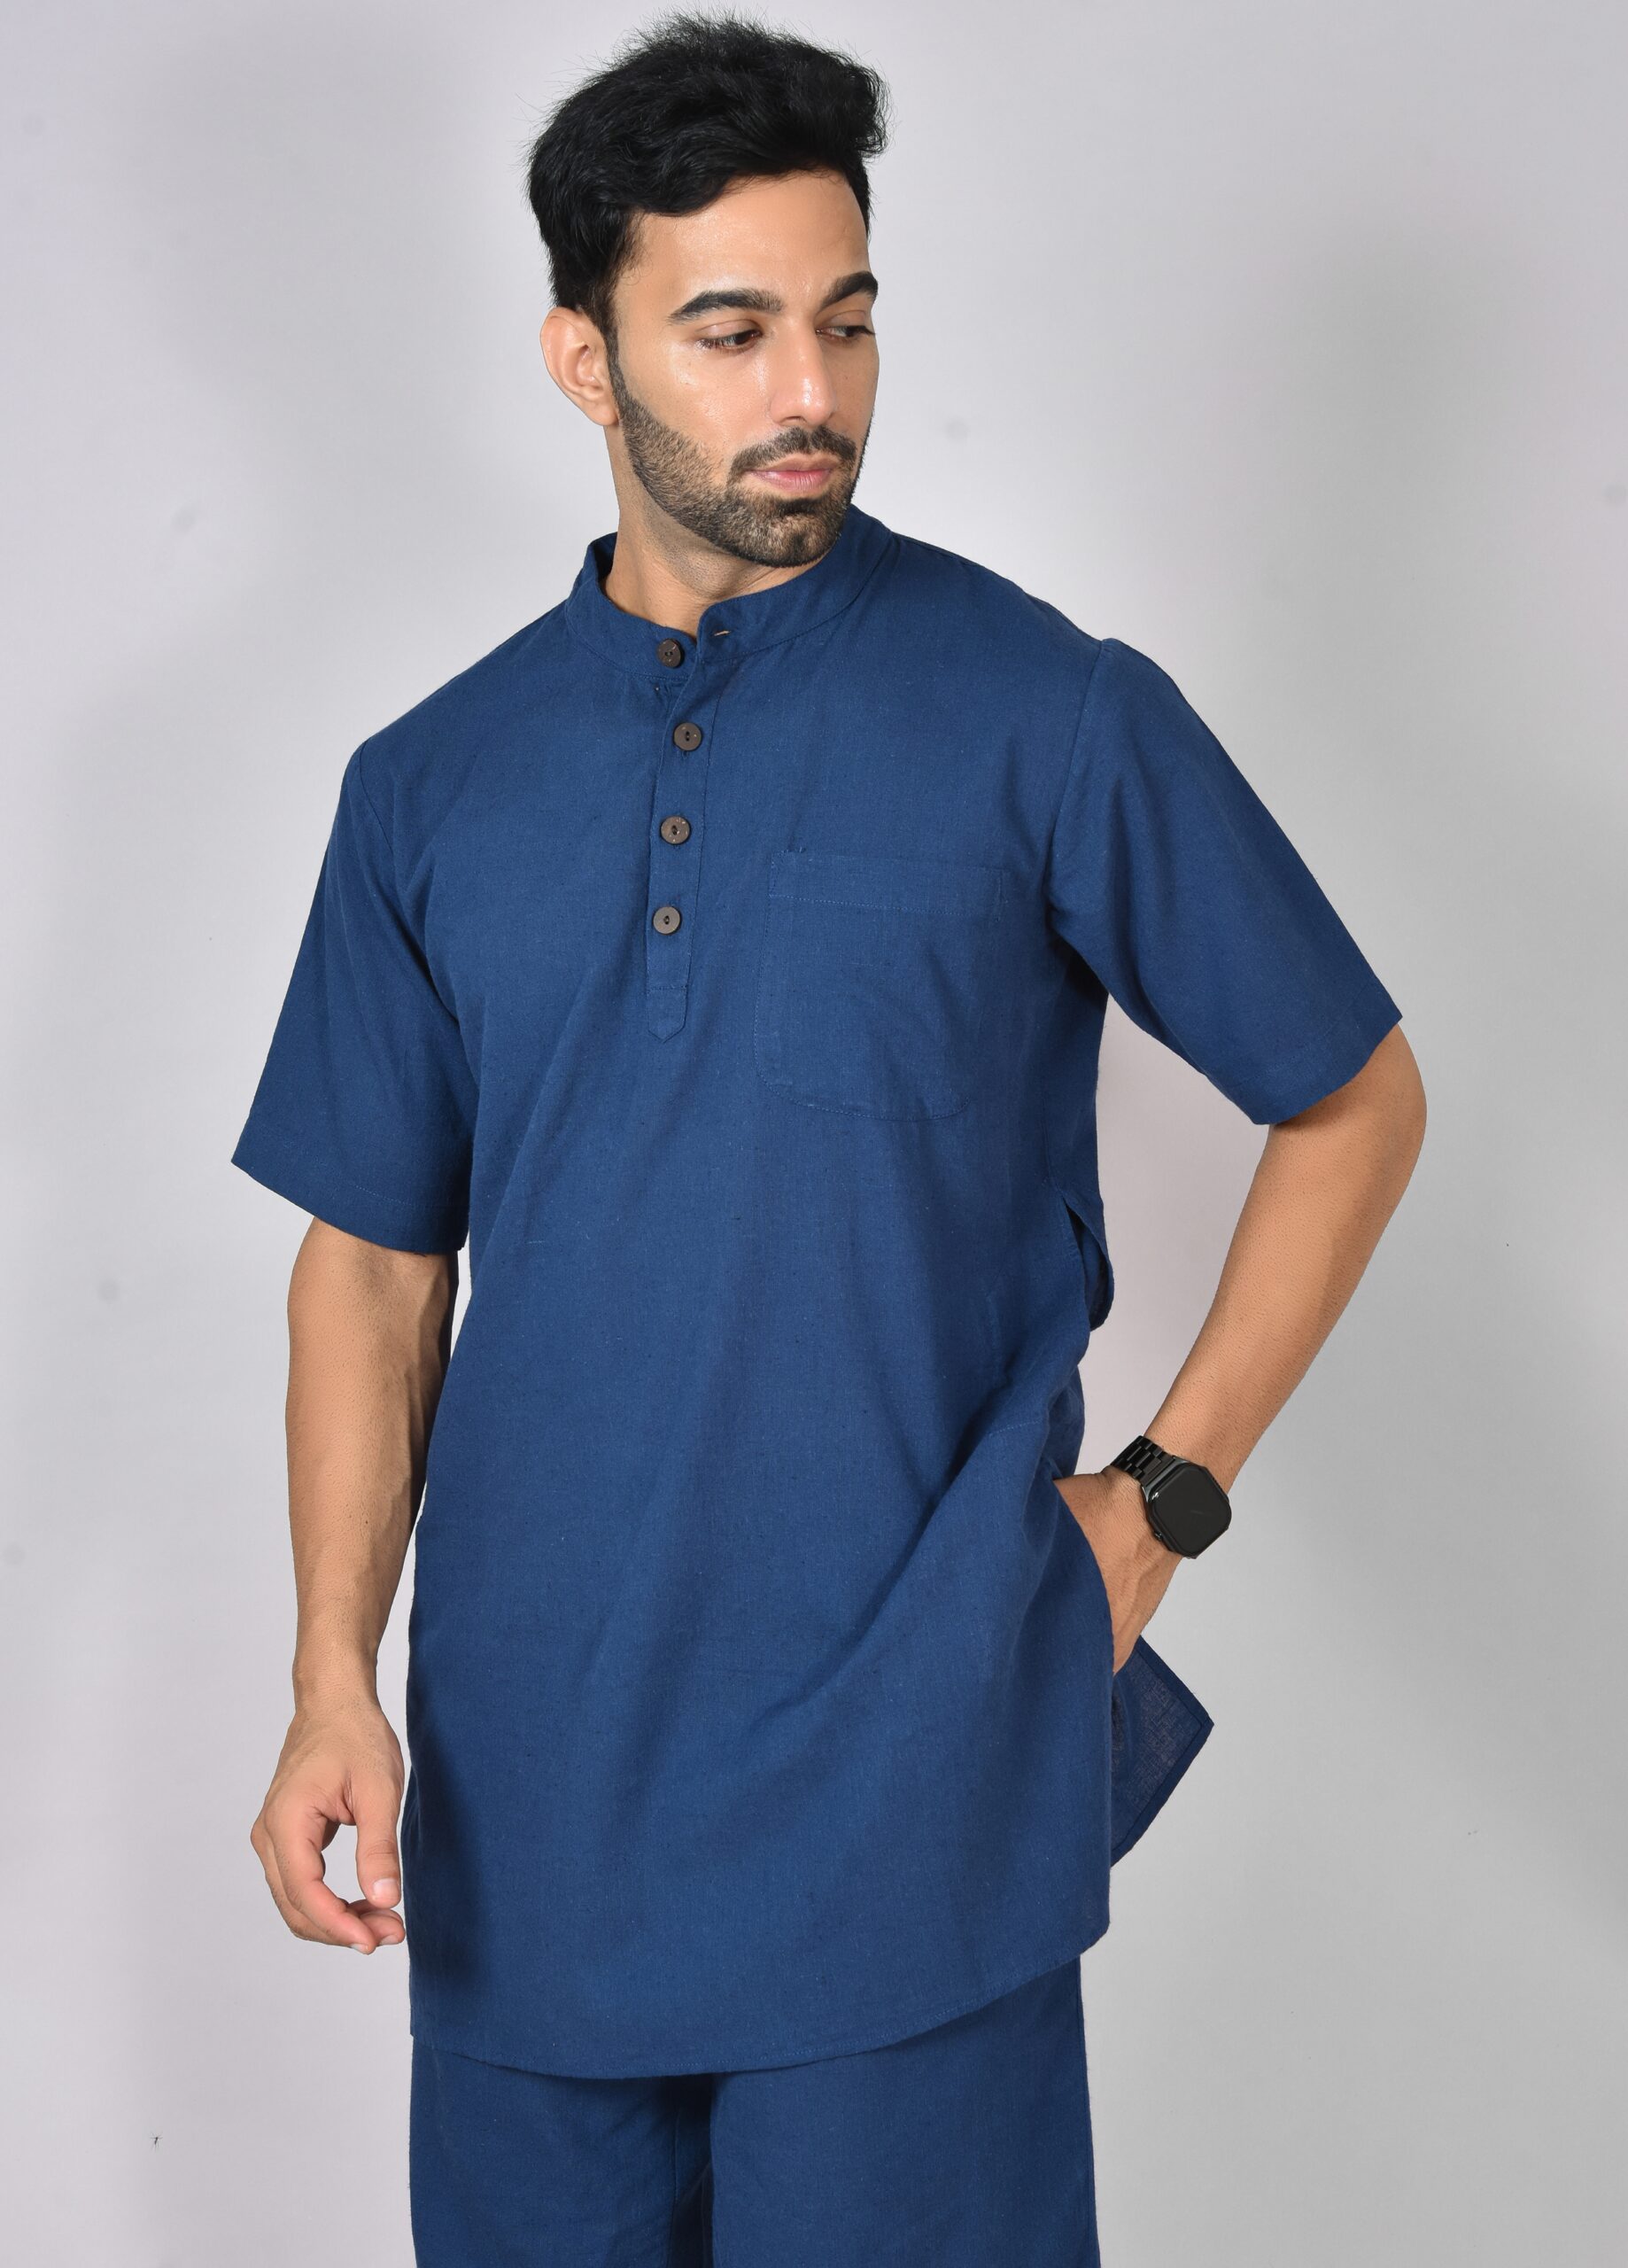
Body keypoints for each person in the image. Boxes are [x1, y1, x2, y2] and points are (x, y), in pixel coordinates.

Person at [232, 12, 1427, 2262]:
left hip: (917, 1784)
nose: (812, 389)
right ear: (583, 360)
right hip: (528, 1810)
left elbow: (1352, 1094)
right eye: (732, 330)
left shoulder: (1046, 710)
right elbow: (373, 1264)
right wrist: (327, 1678)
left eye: (846, 318)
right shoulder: (428, 785)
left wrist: (1163, 1497)